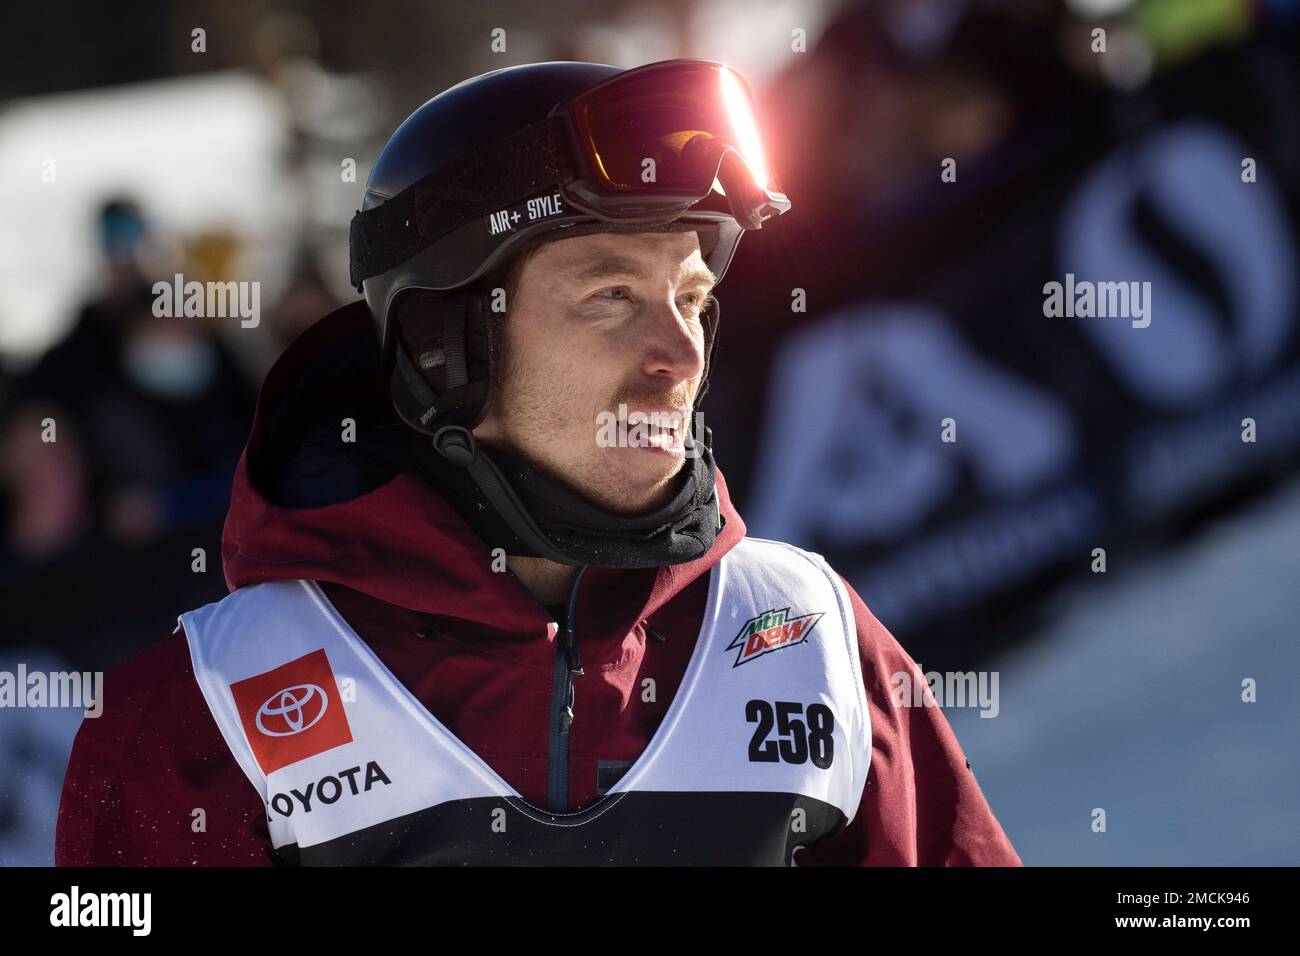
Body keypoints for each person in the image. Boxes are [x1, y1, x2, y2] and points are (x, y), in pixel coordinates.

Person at [56, 59, 1021, 866]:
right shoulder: (202, 715)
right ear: (445, 341)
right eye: (610, 295)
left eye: (691, 299)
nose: (679, 357)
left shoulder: (817, 641)